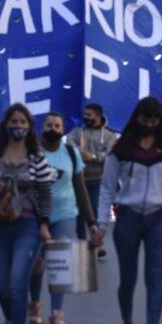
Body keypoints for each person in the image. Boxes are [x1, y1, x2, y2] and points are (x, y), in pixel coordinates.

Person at [95, 97, 162, 324]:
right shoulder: (121, 149)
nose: (149, 124)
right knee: (128, 279)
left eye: (154, 120)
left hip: (159, 216)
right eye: (145, 119)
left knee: (154, 279)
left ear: (160, 121)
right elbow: (107, 188)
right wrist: (100, 224)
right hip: (128, 217)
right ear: (137, 119)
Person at [0, 103, 53, 324]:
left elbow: (45, 192)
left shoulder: (36, 157)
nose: (18, 126)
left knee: (18, 280)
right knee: (1, 283)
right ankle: (10, 318)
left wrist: (44, 224)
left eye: (23, 122)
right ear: (6, 125)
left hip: (27, 225)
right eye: (15, 121)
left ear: (29, 127)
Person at [28, 112, 103, 324]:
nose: (53, 129)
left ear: (62, 130)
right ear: (42, 128)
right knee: (37, 263)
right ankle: (34, 302)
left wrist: (91, 222)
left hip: (65, 214)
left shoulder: (70, 153)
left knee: (60, 263)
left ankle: (57, 313)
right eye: (49, 125)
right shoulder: (33, 153)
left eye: (57, 126)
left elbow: (81, 189)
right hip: (35, 215)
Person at [67, 104, 118, 246]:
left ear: (98, 116)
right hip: (78, 179)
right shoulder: (77, 132)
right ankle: (82, 242)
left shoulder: (109, 135)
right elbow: (69, 145)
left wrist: (94, 157)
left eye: (89, 115)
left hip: (97, 179)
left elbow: (109, 153)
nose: (85, 117)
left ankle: (96, 240)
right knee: (79, 213)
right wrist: (80, 153)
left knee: (95, 210)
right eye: (84, 114)